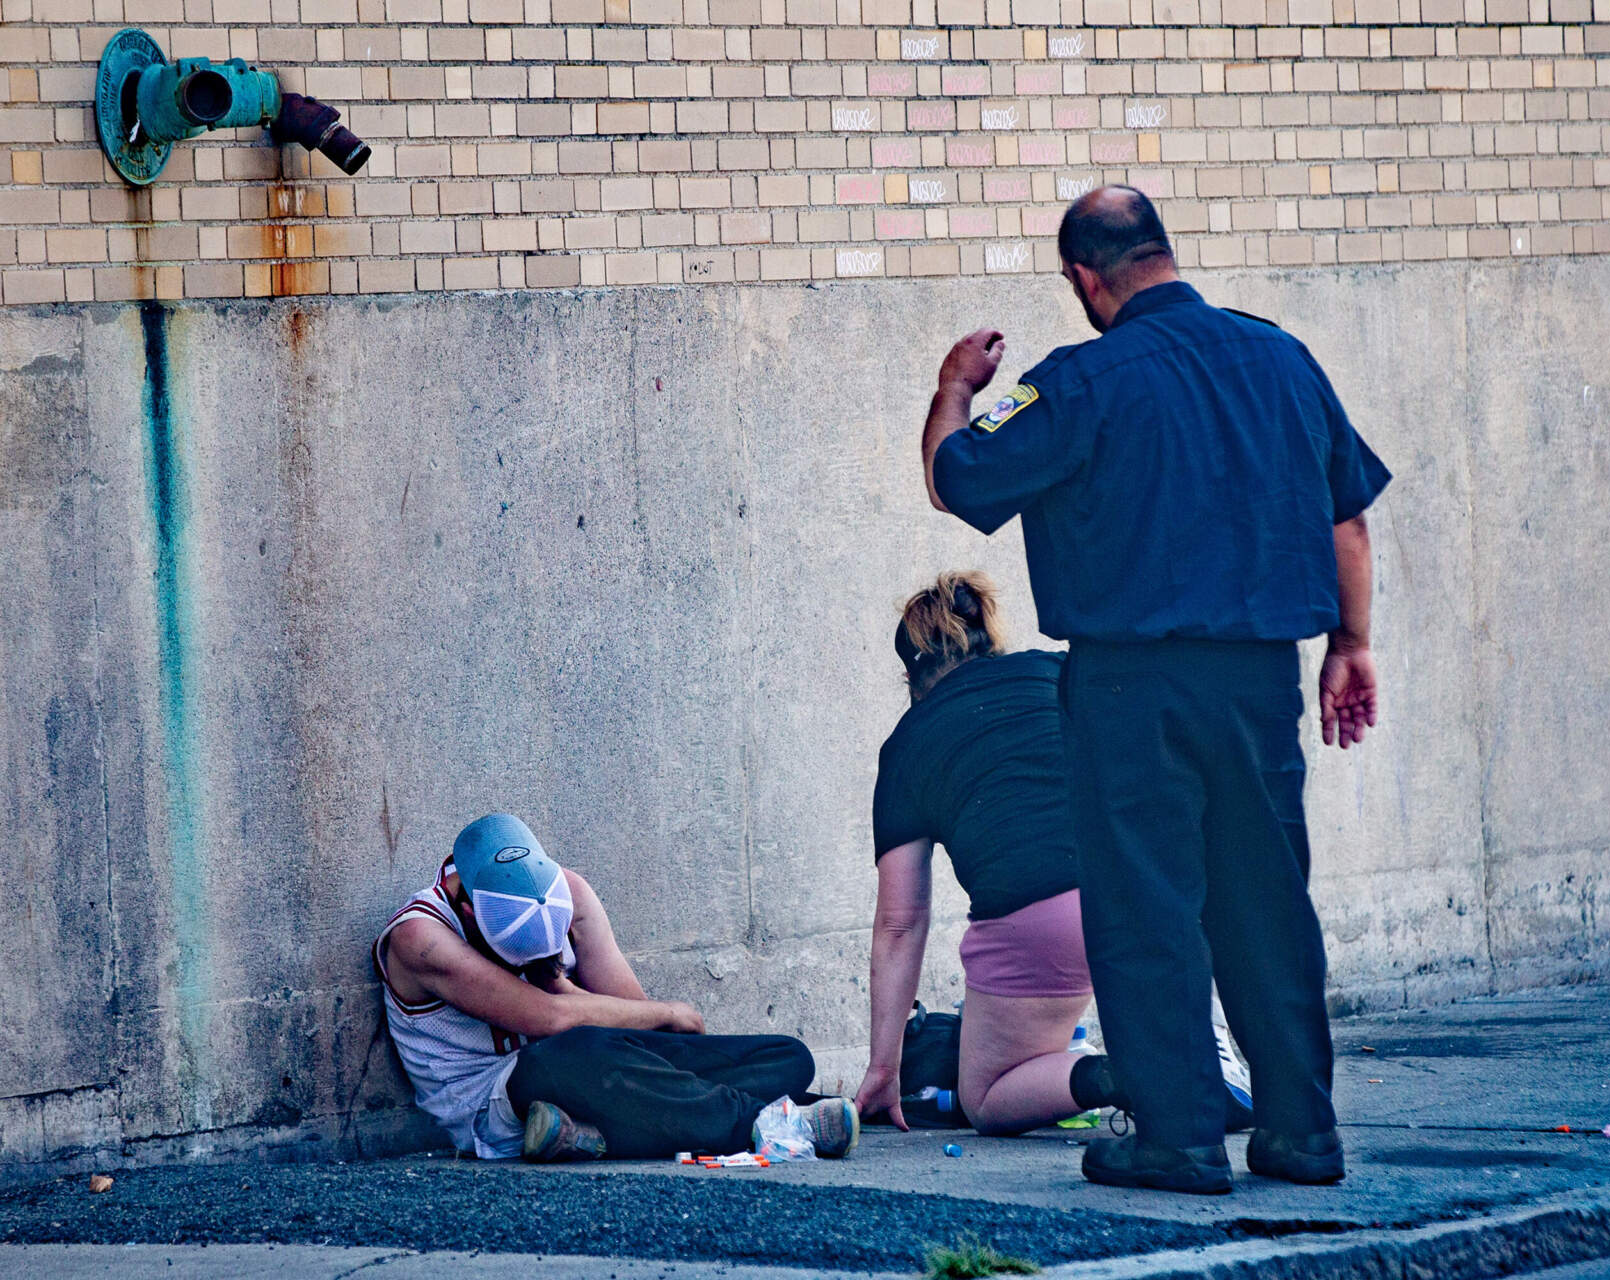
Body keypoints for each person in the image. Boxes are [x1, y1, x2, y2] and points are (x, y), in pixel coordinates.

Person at [918, 187, 1391, 1194]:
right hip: (1261, 680)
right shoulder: (1282, 358)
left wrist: (956, 387)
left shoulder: (1077, 383)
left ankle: (1177, 1137)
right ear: (1165, 253)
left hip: (1131, 685)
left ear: (1087, 279)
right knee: (1267, 901)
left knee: (1146, 906)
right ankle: (1303, 1132)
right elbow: (1348, 521)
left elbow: (958, 480)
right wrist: (1350, 645)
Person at [851, 571, 1253, 1137]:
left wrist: (884, 1068)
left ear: (912, 676)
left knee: (986, 1094)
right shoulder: (1057, 671)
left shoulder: (909, 742)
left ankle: (1130, 1076)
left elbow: (900, 923)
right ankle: (1206, 1049)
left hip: (1042, 920)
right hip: (1149, 882)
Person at [375, 812, 860, 1162]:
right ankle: (770, 1123)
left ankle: (586, 1136)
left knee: (788, 1057)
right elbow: (549, 1020)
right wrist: (669, 1011)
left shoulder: (569, 891)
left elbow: (636, 1021)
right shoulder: (420, 937)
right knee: (575, 1051)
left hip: (599, 1069)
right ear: (468, 910)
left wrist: (604, 1004)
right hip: (497, 1098)